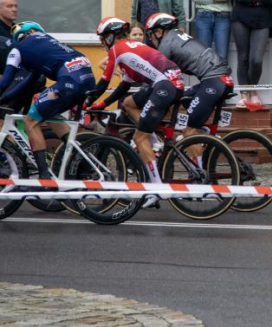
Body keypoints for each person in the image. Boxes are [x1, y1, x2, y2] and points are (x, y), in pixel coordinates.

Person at [86, 17, 185, 205]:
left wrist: (87, 102)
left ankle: (157, 189)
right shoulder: (131, 48)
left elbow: (103, 83)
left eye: (103, 39)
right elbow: (124, 86)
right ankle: (153, 139)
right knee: (129, 103)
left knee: (139, 138)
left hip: (165, 85)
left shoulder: (117, 49)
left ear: (110, 37)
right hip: (167, 83)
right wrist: (103, 104)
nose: (102, 43)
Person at [0, 22, 95, 179]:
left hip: (68, 82)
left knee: (30, 121)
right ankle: (83, 161)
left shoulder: (19, 49)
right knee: (48, 115)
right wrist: (5, 99)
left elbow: (5, 83)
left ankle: (44, 177)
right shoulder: (49, 43)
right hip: (87, 81)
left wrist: (3, 97)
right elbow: (30, 80)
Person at [145, 12, 234, 140]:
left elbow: (154, 76)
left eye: (150, 34)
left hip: (214, 80)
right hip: (221, 79)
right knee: (185, 99)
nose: (150, 39)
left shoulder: (166, 43)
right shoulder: (178, 36)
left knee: (188, 132)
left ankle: (196, 138)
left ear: (158, 32)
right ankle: (204, 133)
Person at [232, 0, 272, 108]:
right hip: (241, 19)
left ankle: (252, 88)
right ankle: (245, 94)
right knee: (243, 57)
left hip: (262, 21)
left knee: (256, 60)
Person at [0, 0, 45, 113]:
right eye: (9, 6)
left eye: (15, 6)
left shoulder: (19, 30)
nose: (14, 9)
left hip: (22, 77)